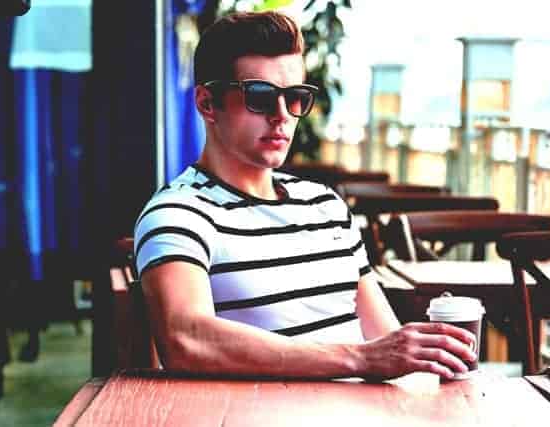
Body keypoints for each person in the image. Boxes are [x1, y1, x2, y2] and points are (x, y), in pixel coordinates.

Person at [133, 10, 476, 381]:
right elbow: (186, 340)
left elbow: (383, 338)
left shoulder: (325, 205)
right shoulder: (178, 213)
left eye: (295, 98)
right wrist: (359, 359)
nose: (282, 116)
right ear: (207, 103)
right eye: (260, 96)